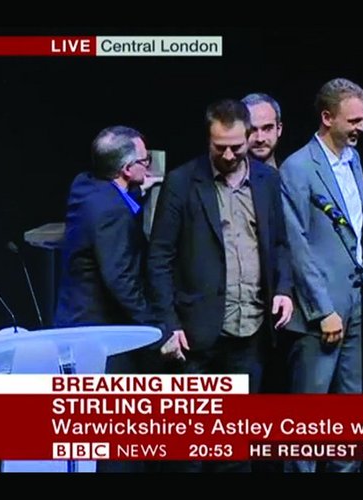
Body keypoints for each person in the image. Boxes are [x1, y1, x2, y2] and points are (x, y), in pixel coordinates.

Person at [147, 99, 293, 473]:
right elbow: (159, 257)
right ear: (208, 139)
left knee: (234, 451)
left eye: (236, 146)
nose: (228, 154)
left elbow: (281, 244)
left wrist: (283, 290)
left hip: (250, 331)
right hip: (195, 336)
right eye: (219, 147)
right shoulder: (182, 183)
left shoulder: (267, 180)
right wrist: (168, 325)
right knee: (190, 454)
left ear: (248, 137)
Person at [54, 125, 174, 473]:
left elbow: (116, 204)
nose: (149, 168)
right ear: (125, 170)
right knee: (114, 443)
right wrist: (158, 331)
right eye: (144, 162)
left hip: (74, 326)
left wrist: (138, 192)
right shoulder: (110, 213)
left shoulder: (84, 186)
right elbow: (121, 280)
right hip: (100, 335)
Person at [279, 78, 363, 473]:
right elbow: (296, 243)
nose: (362, 128)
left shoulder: (354, 158)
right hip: (323, 311)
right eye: (353, 120)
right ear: (327, 117)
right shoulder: (298, 167)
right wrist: (322, 309)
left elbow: (359, 226)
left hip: (359, 301)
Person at [242, 93, 283, 168]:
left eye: (267, 129)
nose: (260, 139)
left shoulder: (290, 173)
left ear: (279, 129)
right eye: (252, 130)